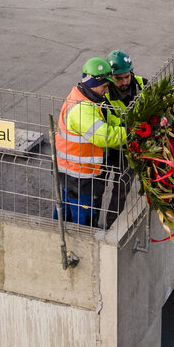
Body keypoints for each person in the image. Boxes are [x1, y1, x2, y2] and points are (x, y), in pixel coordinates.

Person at [55, 57, 127, 227]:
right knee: (84, 220)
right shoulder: (82, 109)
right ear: (95, 83)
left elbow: (105, 122)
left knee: (63, 214)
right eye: (105, 86)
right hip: (79, 175)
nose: (107, 90)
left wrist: (122, 124)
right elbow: (105, 136)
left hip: (70, 170)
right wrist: (129, 132)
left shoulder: (85, 98)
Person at [105, 49, 147, 218]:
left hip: (131, 149)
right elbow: (106, 125)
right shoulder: (104, 94)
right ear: (110, 77)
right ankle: (92, 223)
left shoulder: (142, 84)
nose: (125, 81)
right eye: (119, 78)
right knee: (98, 187)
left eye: (127, 76)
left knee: (121, 188)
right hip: (110, 145)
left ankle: (111, 223)